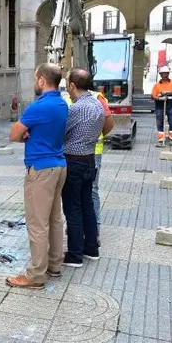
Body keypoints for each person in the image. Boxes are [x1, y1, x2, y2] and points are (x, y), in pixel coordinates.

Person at [5, 63, 68, 290]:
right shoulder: (62, 103)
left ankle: (35, 275)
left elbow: (14, 134)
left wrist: (24, 135)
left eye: (35, 78)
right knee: (54, 219)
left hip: (41, 169)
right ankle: (54, 264)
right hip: (59, 165)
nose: (35, 82)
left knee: (37, 223)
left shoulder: (38, 107)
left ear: (42, 80)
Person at [60, 69, 105, 267]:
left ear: (72, 85)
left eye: (68, 84)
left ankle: (75, 254)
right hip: (89, 159)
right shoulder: (97, 104)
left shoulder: (76, 109)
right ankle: (91, 247)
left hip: (74, 161)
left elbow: (61, 133)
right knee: (87, 205)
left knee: (73, 208)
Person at [151, 66, 172, 146]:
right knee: (160, 122)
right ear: (160, 74)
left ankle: (171, 138)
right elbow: (153, 96)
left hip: (171, 105)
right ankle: (161, 140)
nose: (165, 75)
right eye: (163, 73)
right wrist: (159, 98)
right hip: (160, 105)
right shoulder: (157, 85)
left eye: (166, 73)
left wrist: (167, 92)